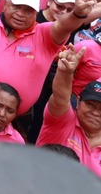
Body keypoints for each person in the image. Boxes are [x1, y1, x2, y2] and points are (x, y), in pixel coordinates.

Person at [36, 45, 101, 178]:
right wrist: (65, 73)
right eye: (90, 105)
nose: (95, 112)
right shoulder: (62, 122)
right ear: (77, 102)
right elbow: (60, 97)